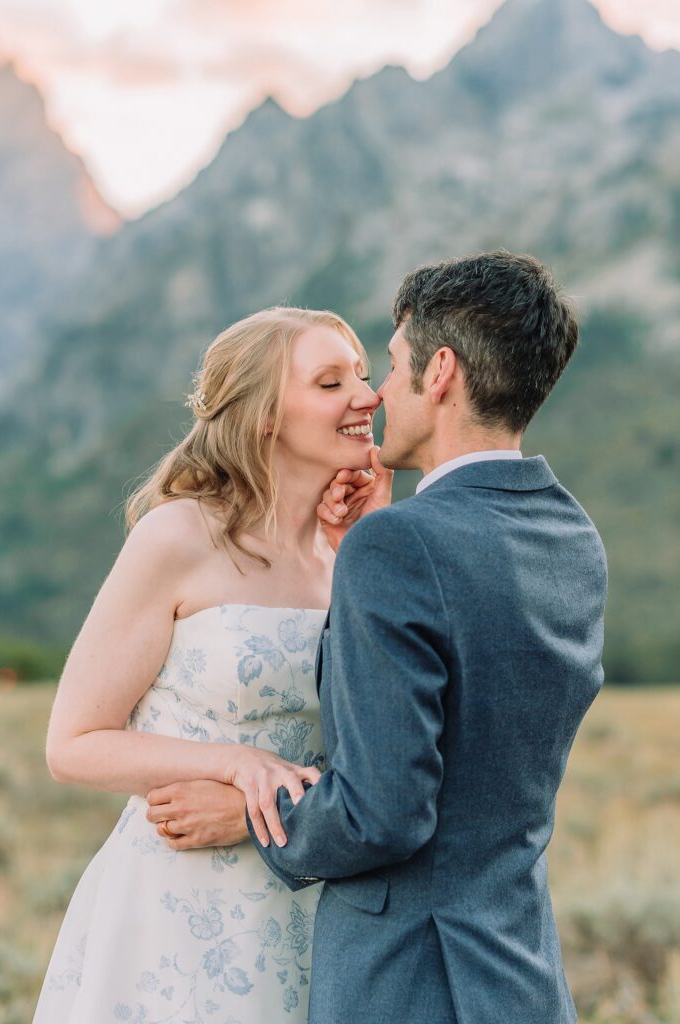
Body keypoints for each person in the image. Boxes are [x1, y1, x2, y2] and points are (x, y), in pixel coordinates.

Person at [153, 251, 608, 1024]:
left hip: (405, 978)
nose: (377, 394)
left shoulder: (397, 546)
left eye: (391, 367)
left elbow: (384, 812)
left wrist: (250, 821)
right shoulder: (571, 536)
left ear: (440, 372)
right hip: (518, 970)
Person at [33, 307, 386, 1024]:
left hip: (309, 906)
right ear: (263, 416)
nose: (367, 396)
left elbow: (381, 745)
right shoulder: (178, 536)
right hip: (175, 905)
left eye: (363, 376)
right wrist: (233, 762)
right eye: (329, 382)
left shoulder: (351, 555)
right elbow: (72, 746)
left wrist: (366, 547)